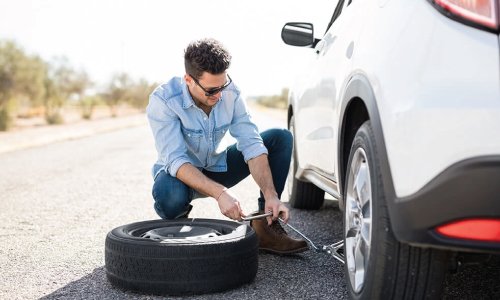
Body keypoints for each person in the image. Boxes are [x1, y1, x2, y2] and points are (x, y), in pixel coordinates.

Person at [146, 38, 308, 254]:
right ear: (189, 80)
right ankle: (177, 228)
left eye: (222, 86)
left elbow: (251, 144)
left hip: (216, 166)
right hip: (179, 178)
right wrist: (220, 194)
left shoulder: (230, 93)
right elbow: (176, 161)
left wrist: (271, 194)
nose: (219, 95)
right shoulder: (164, 100)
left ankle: (265, 227)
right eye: (212, 90)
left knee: (280, 138)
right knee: (170, 195)